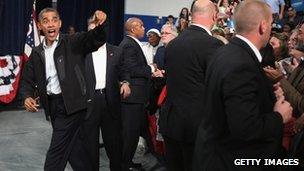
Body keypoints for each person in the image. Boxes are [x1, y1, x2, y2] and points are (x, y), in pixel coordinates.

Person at [193, 1, 293, 170]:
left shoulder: (225, 52)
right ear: (262, 26)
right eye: (270, 24)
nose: (271, 29)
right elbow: (245, 128)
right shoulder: (241, 63)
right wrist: (279, 117)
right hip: (230, 160)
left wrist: (266, 94)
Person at [20, 8, 107, 171]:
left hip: (72, 105)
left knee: (56, 152)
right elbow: (27, 79)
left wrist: (100, 25)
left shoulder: (73, 41)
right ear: (39, 26)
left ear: (60, 23)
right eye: (45, 21)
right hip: (53, 106)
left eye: (54, 20)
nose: (50, 24)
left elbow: (94, 39)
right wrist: (26, 96)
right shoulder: (37, 52)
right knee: (75, 151)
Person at [158, 0, 224, 170]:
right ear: (215, 16)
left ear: (192, 15)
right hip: (197, 129)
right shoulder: (213, 45)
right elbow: (218, 87)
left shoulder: (172, 45)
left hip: (171, 123)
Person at [83, 19, 131, 171]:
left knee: (114, 143)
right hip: (89, 103)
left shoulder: (116, 51)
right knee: (90, 145)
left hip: (110, 101)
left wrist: (125, 82)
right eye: (92, 31)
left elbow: (124, 70)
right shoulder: (81, 53)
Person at [119, 17, 163, 170]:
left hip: (137, 97)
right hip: (133, 98)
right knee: (130, 134)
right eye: (142, 26)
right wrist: (150, 69)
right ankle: (124, 165)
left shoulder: (130, 43)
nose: (144, 28)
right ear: (133, 28)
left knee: (137, 131)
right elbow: (132, 70)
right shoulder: (130, 45)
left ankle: (129, 162)